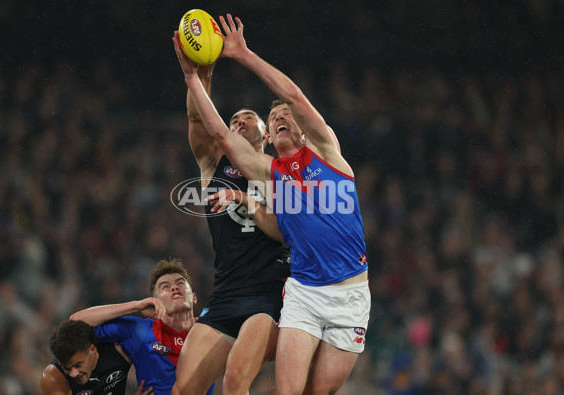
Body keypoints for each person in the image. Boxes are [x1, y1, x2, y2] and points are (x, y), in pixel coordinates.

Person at [173, 13, 371, 395]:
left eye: (284, 116)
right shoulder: (270, 174)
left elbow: (294, 96)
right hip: (303, 293)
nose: (280, 116)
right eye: (273, 114)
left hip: (351, 295)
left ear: (302, 129)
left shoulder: (328, 153)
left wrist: (245, 55)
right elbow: (216, 133)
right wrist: (192, 78)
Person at [169, 57, 291, 394]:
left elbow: (284, 232)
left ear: (265, 135)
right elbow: (197, 117)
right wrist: (198, 77)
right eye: (233, 118)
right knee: (183, 389)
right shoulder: (214, 165)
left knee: (235, 380)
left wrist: (242, 199)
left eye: (249, 118)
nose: (238, 121)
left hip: (267, 298)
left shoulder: (277, 171)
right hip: (225, 295)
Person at [67, 258, 214, 395]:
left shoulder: (211, 331)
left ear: (194, 297)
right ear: (155, 300)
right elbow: (76, 322)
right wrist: (135, 306)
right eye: (165, 286)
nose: (174, 287)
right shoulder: (140, 330)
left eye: (180, 283)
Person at [40, 319, 153, 395]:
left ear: (92, 349)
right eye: (67, 368)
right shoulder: (53, 378)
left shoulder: (120, 352)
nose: (73, 374)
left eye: (78, 365)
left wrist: (136, 305)